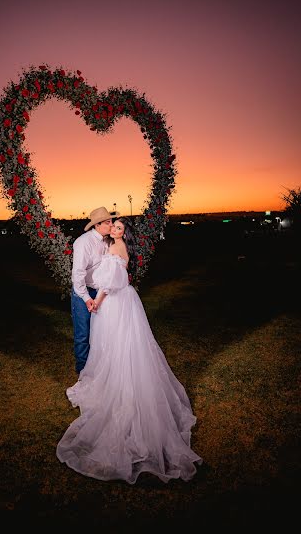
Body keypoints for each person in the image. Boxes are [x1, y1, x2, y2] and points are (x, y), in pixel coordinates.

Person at [57, 216, 202, 484]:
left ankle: (119, 387)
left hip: (112, 302)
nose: (114, 228)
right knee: (115, 344)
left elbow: (109, 282)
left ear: (124, 233)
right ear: (102, 227)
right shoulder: (105, 244)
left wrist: (95, 302)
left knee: (115, 345)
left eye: (119, 227)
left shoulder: (114, 247)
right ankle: (111, 378)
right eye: (112, 225)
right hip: (123, 300)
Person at [71, 206, 120, 375]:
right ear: (97, 224)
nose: (111, 225)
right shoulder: (83, 242)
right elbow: (77, 275)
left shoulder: (109, 240)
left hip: (101, 293)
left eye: (111, 221)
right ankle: (83, 372)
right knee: (83, 333)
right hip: (83, 292)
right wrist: (85, 298)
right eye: (108, 222)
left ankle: (99, 369)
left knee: (101, 332)